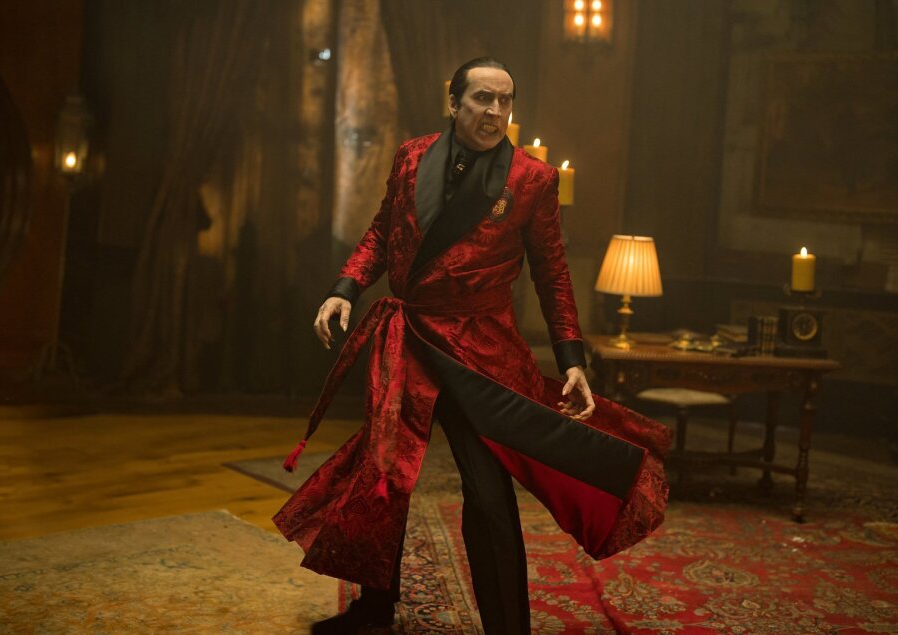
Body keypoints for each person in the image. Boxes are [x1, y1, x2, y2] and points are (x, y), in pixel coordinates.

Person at [273, 57, 670, 634]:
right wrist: (345, 288)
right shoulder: (411, 156)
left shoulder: (532, 179)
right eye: (483, 98)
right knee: (381, 480)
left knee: (487, 496)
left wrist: (571, 359)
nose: (495, 111)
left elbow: (553, 275)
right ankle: (374, 612)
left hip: (477, 352)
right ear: (453, 102)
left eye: (505, 101)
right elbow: (383, 231)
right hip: (408, 338)